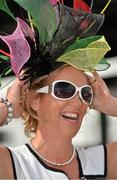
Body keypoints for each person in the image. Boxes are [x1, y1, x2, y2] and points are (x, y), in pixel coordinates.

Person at [0, 0, 116, 179]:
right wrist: (6, 109)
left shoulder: (104, 162)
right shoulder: (12, 164)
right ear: (34, 100)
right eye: (64, 90)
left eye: (85, 93)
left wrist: (111, 105)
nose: (78, 101)